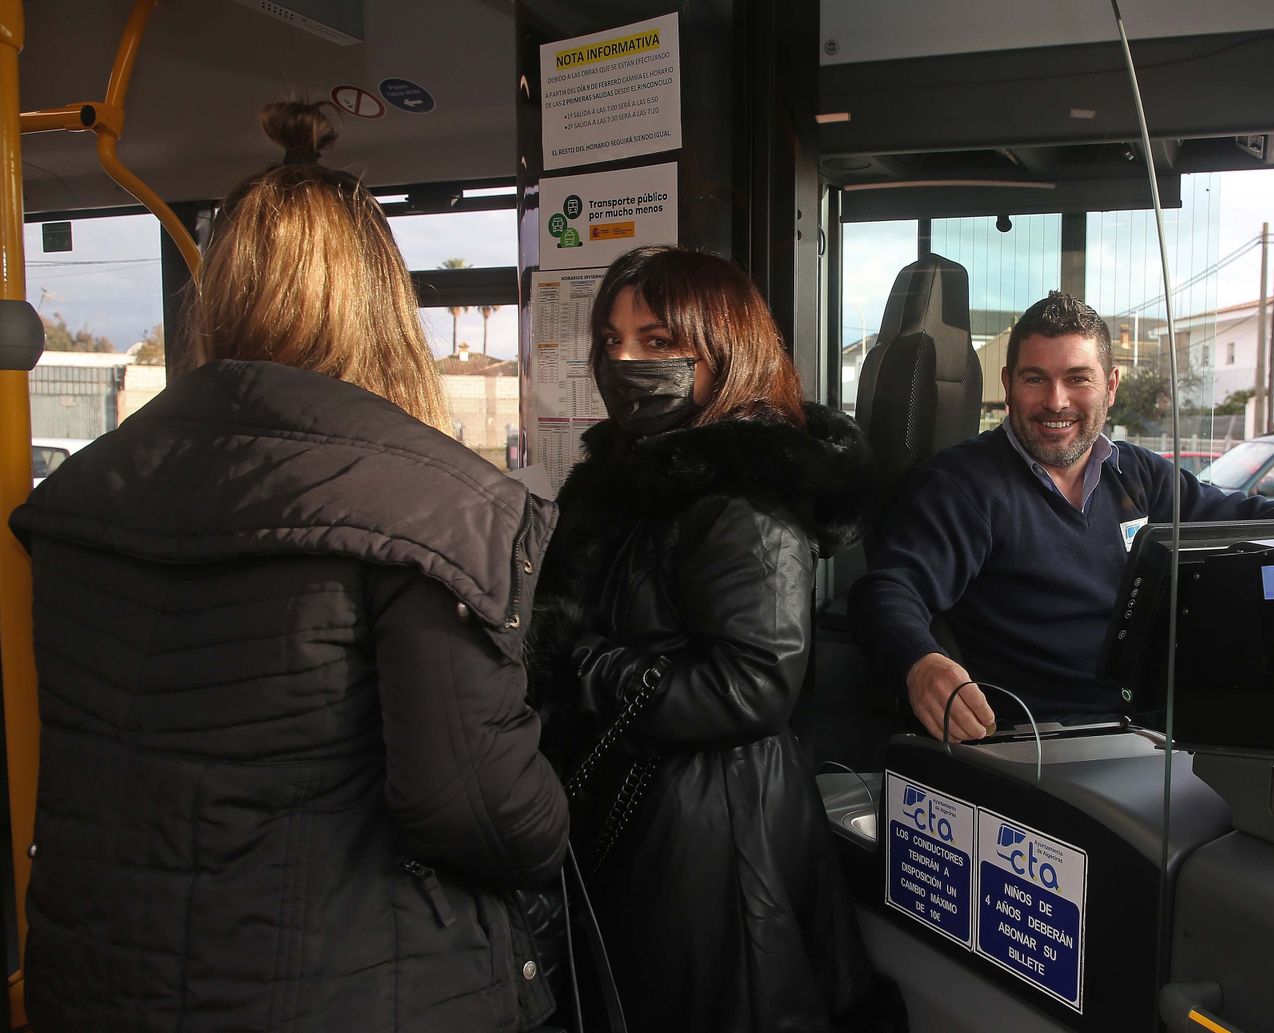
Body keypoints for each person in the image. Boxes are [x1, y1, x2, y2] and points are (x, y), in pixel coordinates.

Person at [10, 101, 568, 1031]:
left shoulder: (82, 496)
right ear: (384, 303)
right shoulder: (433, 505)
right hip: (337, 987)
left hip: (94, 975)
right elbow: (475, 807)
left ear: (220, 294)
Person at [529, 245, 898, 1032]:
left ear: (725, 348)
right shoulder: (643, 482)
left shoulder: (740, 496)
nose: (624, 359)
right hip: (651, 819)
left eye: (658, 341)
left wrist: (579, 662)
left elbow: (753, 684)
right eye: (611, 339)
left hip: (710, 845)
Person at [850, 290, 1274, 742]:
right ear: (1008, 385)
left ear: (1110, 385)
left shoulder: (1137, 474)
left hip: (1161, 729)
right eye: (1035, 379)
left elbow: (1245, 515)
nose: (1056, 402)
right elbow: (888, 590)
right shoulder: (961, 488)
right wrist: (919, 662)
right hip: (1050, 746)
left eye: (1076, 379)